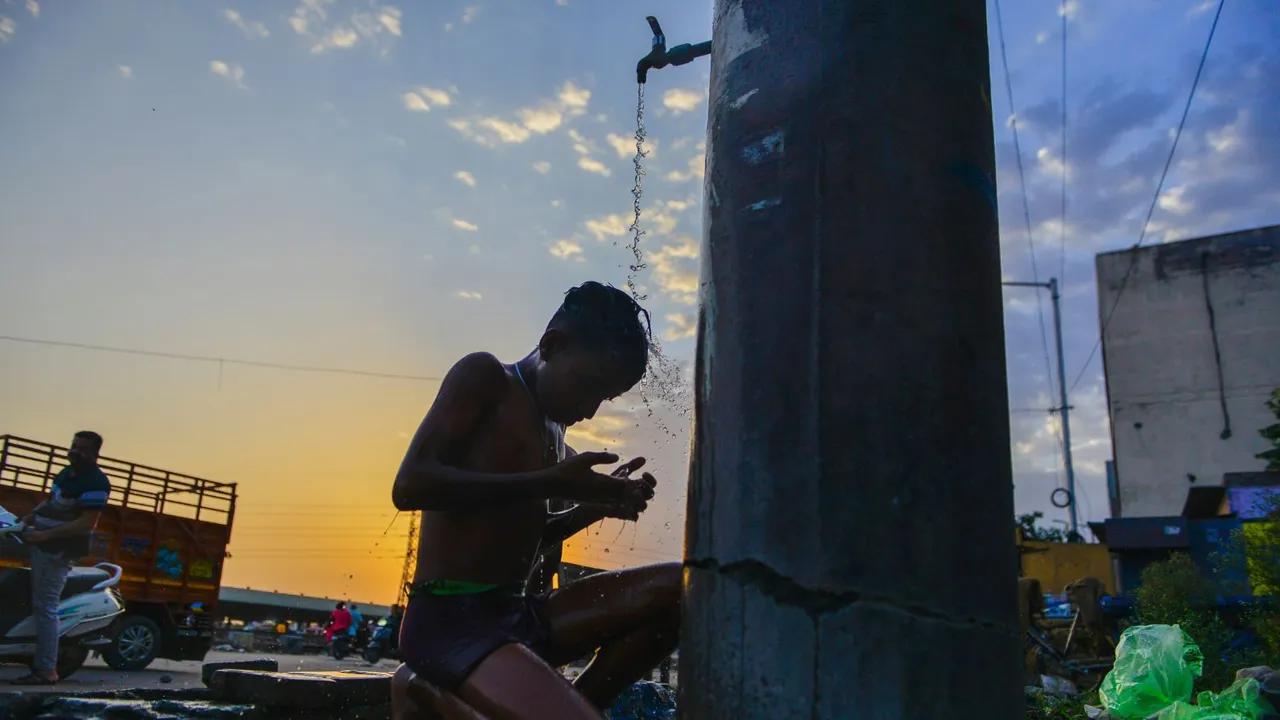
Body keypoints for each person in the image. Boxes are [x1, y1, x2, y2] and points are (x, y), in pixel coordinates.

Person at [391, 281, 681, 720]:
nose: (590, 410)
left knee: (684, 587)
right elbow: (410, 485)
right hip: (452, 623)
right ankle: (424, 690)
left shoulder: (555, 430)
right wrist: (547, 480)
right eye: (589, 387)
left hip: (519, 616)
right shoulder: (486, 377)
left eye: (605, 398)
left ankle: (577, 705)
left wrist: (594, 505)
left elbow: (526, 534)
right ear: (552, 345)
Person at [11, 431, 111, 686]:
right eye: (74, 446)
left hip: (57, 551)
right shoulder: (66, 473)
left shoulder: (96, 482)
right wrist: (28, 519)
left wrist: (45, 536)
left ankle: (46, 669)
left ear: (95, 453)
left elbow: (87, 523)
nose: (75, 452)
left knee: (45, 607)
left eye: (82, 449)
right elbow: (50, 501)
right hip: (36, 539)